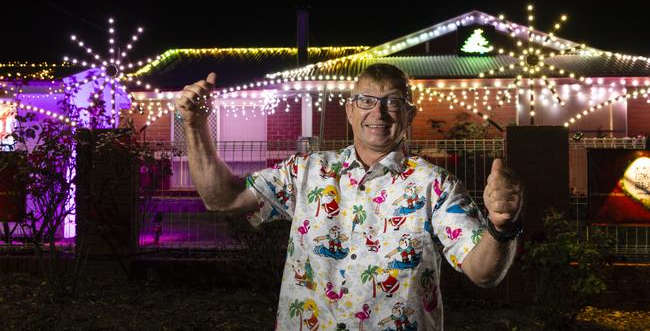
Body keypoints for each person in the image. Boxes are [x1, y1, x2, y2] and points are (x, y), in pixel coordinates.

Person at [175, 63, 523, 330]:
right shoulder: (306, 172)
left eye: (393, 102)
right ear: (350, 110)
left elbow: (483, 272)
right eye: (367, 100)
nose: (379, 112)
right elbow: (223, 198)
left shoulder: (435, 186)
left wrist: (502, 227)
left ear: (409, 114)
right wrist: (194, 125)